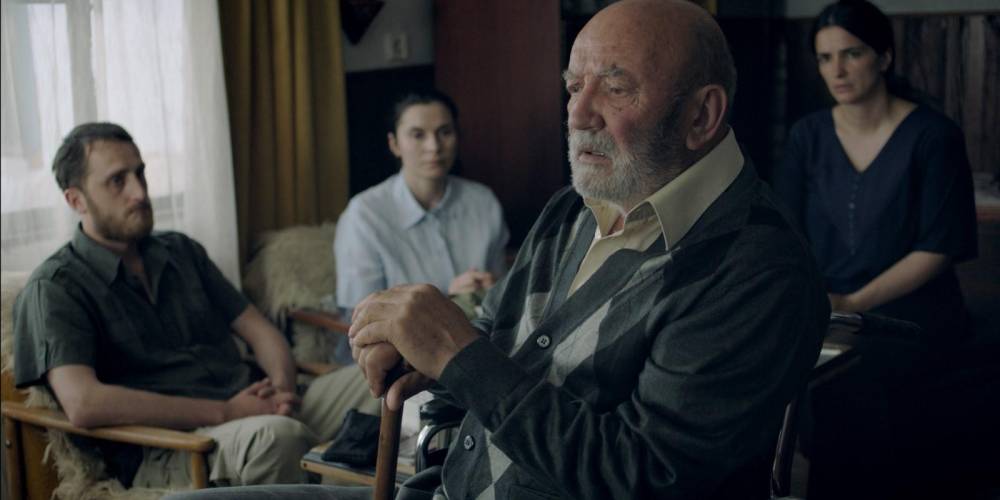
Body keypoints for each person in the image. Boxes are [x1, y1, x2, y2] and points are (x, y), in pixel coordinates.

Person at [166, 1, 829, 499]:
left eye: (615, 87)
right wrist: (429, 362)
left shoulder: (758, 269)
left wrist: (459, 353)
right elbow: (501, 337)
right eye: (574, 86)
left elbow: (641, 475)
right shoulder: (576, 208)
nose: (578, 114)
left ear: (701, 116)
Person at [12, 122, 378, 488]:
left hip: (254, 403)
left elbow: (261, 331)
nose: (139, 192)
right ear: (76, 200)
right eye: (117, 181)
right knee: (279, 439)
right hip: (175, 444)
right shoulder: (56, 287)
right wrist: (226, 412)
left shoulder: (180, 250)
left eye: (140, 173)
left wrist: (282, 393)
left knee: (385, 376)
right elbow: (83, 403)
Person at [773, 0, 978, 341]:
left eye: (852, 54)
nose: (837, 71)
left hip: (913, 319)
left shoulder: (934, 136)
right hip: (827, 312)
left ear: (884, 58)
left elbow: (938, 249)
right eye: (825, 58)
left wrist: (851, 304)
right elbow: (785, 233)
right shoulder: (807, 136)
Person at [333, 89, 510, 314]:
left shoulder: (483, 202)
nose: (434, 147)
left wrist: (492, 289)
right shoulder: (364, 215)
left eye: (445, 132)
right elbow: (360, 317)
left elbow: (502, 289)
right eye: (418, 135)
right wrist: (448, 302)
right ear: (394, 144)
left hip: (480, 331)